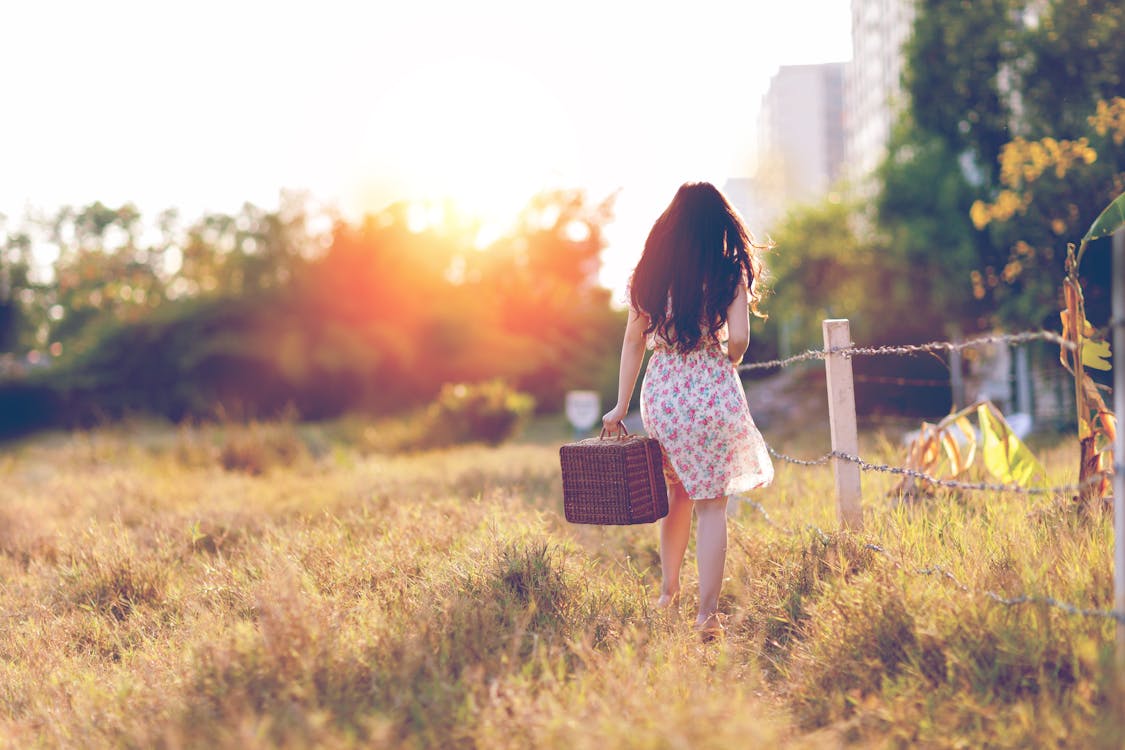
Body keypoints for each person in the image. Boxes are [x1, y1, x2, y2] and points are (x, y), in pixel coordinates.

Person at [601, 181, 774, 639]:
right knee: (712, 506)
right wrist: (728, 359)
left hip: (663, 397)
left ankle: (668, 592)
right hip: (711, 393)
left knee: (677, 495)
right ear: (720, 224)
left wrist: (620, 405)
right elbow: (738, 340)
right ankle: (707, 615)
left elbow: (633, 341)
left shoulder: (651, 274)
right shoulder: (728, 272)